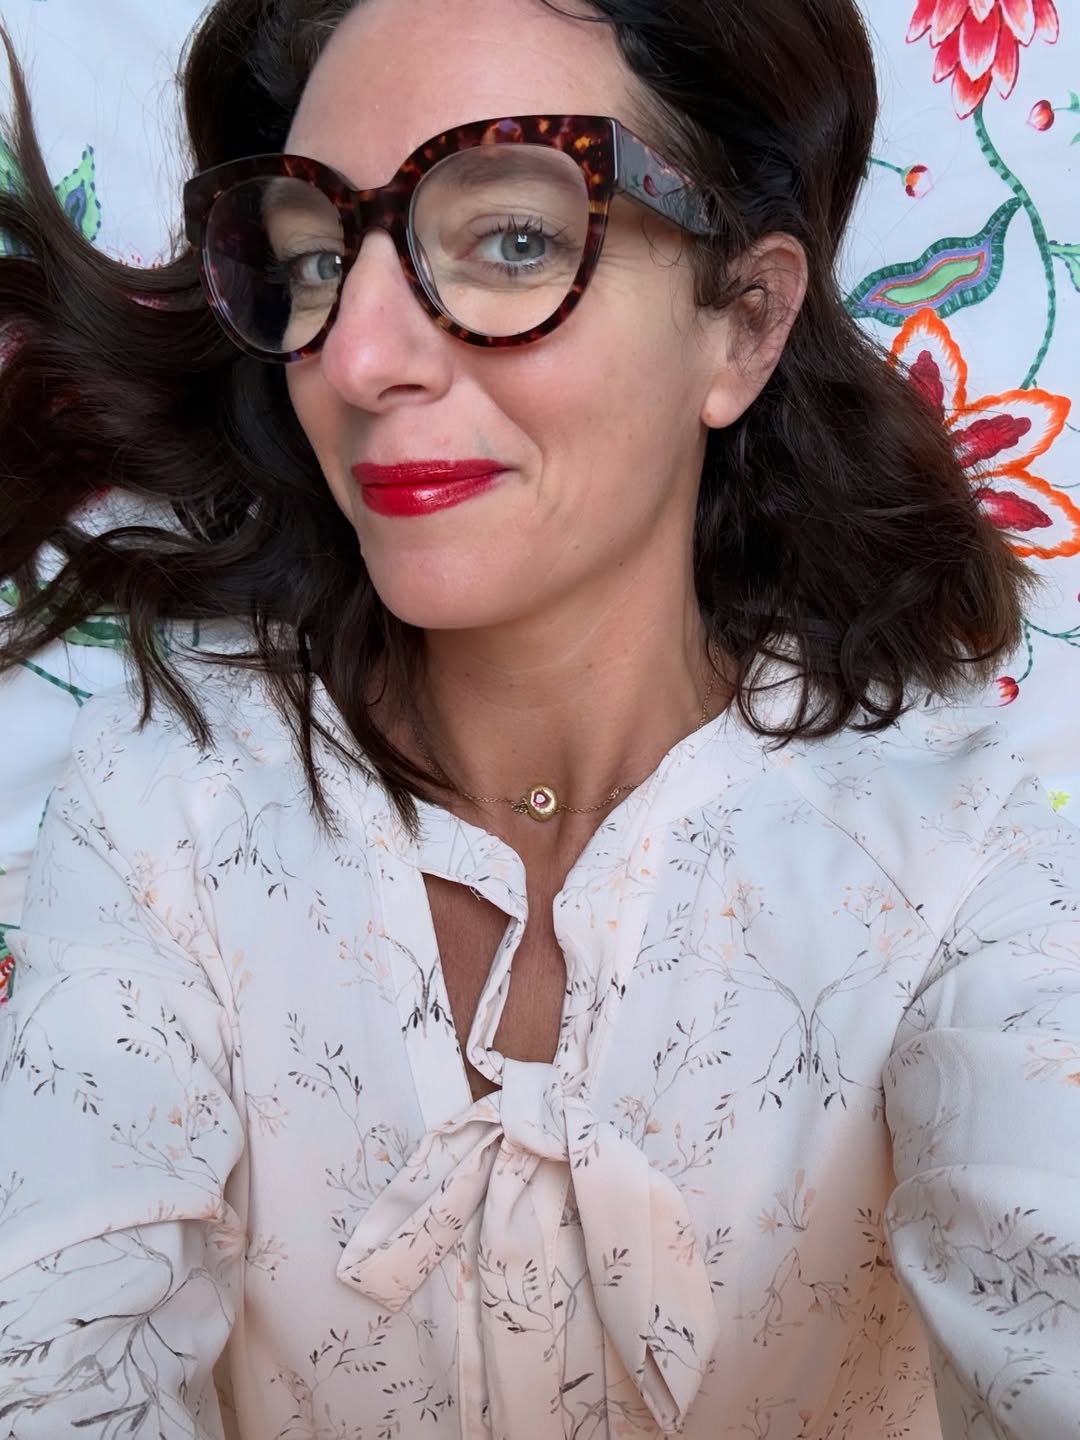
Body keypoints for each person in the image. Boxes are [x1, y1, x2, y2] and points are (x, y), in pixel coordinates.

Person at [0, 0, 1078, 1435]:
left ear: (746, 325)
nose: (358, 357)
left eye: (511, 239)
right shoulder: (168, 798)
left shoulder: (965, 862)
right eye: (317, 260)